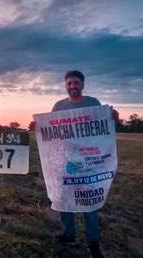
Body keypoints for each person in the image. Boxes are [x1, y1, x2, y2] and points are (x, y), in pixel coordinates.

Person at [52, 70, 119, 258]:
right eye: (69, 83)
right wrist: (39, 127)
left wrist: (114, 116)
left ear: (82, 85)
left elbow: (106, 126)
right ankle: (69, 235)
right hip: (66, 162)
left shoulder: (94, 103)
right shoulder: (58, 106)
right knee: (65, 199)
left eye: (76, 83)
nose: (72, 86)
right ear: (65, 85)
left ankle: (93, 243)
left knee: (89, 202)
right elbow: (52, 131)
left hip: (89, 163)